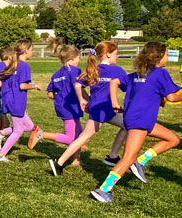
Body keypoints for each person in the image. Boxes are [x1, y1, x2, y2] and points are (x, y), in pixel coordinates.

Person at [90, 42, 182, 203]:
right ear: (159, 57)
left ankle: (140, 162)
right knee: (128, 157)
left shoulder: (137, 74)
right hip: (141, 120)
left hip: (137, 118)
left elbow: (115, 82)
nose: (167, 58)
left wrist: (114, 102)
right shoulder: (161, 73)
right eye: (166, 54)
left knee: (173, 139)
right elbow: (172, 97)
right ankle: (104, 189)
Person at [49, 41, 131, 175]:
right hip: (102, 110)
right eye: (116, 54)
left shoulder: (94, 69)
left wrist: (82, 99)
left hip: (102, 109)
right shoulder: (117, 71)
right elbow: (128, 88)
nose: (117, 56)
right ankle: (59, 163)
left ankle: (113, 157)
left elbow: (77, 85)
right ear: (108, 55)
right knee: (84, 137)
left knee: (127, 125)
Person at [0, 39, 43, 162]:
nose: (32, 52)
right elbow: (22, 86)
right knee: (18, 130)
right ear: (26, 51)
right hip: (17, 101)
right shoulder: (24, 66)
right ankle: (0, 155)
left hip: (9, 100)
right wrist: (35, 86)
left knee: (30, 126)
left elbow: (4, 82)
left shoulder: (12, 65)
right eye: (31, 50)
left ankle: (2, 133)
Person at [36, 45, 85, 164]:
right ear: (72, 58)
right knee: (71, 138)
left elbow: (50, 93)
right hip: (71, 108)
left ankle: (76, 160)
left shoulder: (56, 74)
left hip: (61, 106)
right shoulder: (75, 71)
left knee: (80, 134)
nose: (79, 60)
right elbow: (78, 87)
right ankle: (41, 134)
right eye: (78, 58)